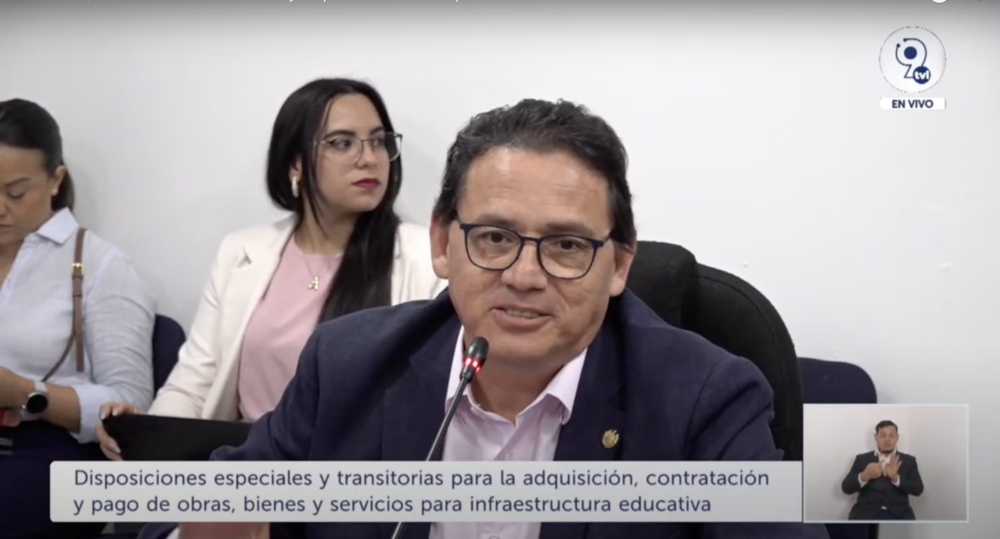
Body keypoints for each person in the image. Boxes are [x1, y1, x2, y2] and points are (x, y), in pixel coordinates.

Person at [139, 99, 829, 539]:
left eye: (567, 246)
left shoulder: (704, 397)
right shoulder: (347, 362)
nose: (524, 275)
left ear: (619, 264)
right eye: (495, 238)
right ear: (443, 243)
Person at [96, 78, 445, 457]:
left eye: (378, 141)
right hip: (242, 465)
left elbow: (429, 402)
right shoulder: (241, 253)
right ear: (295, 163)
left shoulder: (425, 258)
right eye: (343, 143)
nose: (369, 158)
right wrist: (146, 435)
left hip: (351, 475)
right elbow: (193, 386)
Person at [0, 98, 156, 539]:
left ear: (56, 180)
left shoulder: (101, 266)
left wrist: (24, 392)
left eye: (15, 193)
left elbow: (129, 403)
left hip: (46, 451)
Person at [842, 420, 924, 520]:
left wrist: (896, 478)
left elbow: (918, 490)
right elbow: (846, 488)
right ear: (876, 437)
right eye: (883, 436)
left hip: (900, 515)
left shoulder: (908, 461)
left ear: (897, 438)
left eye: (891, 436)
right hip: (865, 515)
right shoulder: (862, 459)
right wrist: (865, 475)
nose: (887, 439)